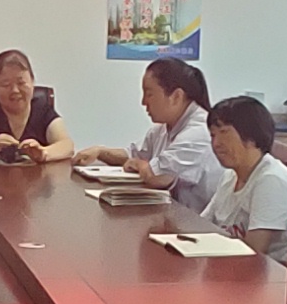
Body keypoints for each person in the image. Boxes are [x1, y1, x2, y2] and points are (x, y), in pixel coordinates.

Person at [74, 59, 217, 211]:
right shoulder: (162, 129)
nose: (143, 102)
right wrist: (100, 152)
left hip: (195, 220)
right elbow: (132, 154)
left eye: (149, 94)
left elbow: (157, 176)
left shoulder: (199, 132)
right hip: (168, 213)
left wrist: (139, 164)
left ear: (176, 96)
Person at [199, 95, 287, 249]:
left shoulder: (271, 180)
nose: (216, 143)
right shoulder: (230, 176)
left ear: (251, 137)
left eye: (224, 133)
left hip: (275, 264)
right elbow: (202, 226)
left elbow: (254, 251)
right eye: (213, 135)